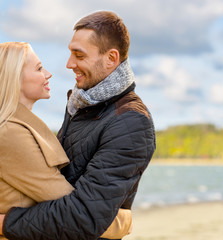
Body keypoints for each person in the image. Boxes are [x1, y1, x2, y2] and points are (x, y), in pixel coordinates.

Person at [0, 11, 155, 240]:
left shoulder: (131, 121)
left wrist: (5, 222)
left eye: (78, 55)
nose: (68, 64)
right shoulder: (80, 104)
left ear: (111, 58)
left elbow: (84, 217)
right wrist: (122, 222)